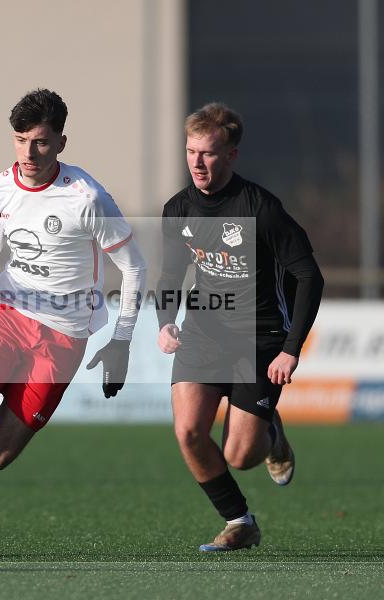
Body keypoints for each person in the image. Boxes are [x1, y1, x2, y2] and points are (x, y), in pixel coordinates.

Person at [0, 89, 147, 558]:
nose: (29, 153)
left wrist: (121, 341)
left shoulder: (87, 198)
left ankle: (0, 421)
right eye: (20, 141)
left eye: (40, 142)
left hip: (64, 335)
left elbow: (134, 268)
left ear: (60, 142)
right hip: (4, 313)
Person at [156, 102, 323, 552]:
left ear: (231, 155)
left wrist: (291, 349)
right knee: (189, 431)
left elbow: (310, 276)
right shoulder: (178, 209)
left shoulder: (262, 209)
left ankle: (271, 433)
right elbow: (171, 276)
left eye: (208, 153)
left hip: (261, 338)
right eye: (191, 151)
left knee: (239, 456)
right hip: (205, 331)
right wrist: (166, 322)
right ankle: (239, 521)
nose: (197, 161)